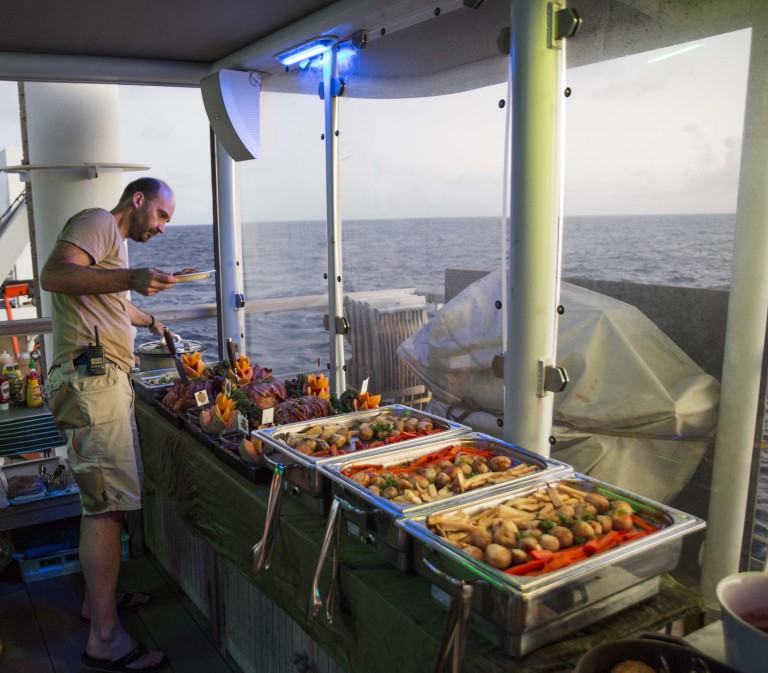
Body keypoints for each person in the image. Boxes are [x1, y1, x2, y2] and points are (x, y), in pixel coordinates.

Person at [41, 177, 179, 673]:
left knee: (101, 500)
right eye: (162, 215)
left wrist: (147, 320)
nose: (163, 228)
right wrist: (131, 277)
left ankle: (95, 605)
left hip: (93, 378)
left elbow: (106, 301)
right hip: (90, 379)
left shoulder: (112, 245)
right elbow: (55, 275)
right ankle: (104, 639)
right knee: (106, 507)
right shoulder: (99, 222)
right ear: (137, 200)